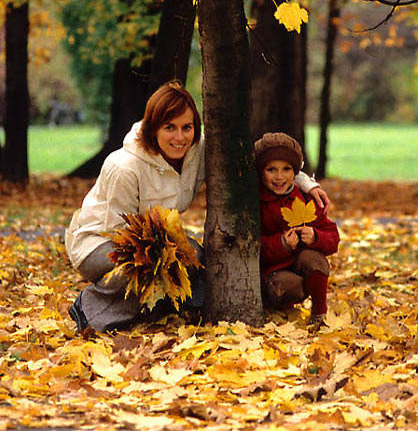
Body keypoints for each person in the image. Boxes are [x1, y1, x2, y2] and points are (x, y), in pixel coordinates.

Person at [65, 81, 329, 332]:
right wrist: (164, 256)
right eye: (170, 127)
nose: (179, 137)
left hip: (157, 239)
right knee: (153, 268)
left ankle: (161, 306)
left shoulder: (197, 152)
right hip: (99, 242)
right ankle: (90, 308)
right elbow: (116, 229)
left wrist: (306, 183)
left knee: (196, 257)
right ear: (153, 127)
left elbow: (254, 164)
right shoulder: (124, 167)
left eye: (187, 127)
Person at [254, 132, 340, 325]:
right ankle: (278, 313)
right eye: (271, 170)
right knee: (287, 286)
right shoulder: (257, 203)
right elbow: (253, 245)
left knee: (315, 260)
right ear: (260, 172)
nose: (279, 177)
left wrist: (316, 237)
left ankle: (319, 314)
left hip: (302, 264)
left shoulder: (305, 198)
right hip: (273, 272)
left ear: (296, 173)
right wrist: (281, 244)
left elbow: (333, 238)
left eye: (286, 169)